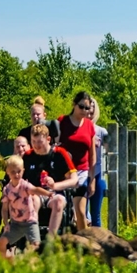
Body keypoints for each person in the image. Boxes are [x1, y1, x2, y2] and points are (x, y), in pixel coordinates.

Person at [21, 123, 78, 236]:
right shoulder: (27, 156)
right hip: (36, 193)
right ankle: (33, 239)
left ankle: (50, 240)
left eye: (39, 142)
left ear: (48, 139)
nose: (36, 146)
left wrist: (55, 185)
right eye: (33, 141)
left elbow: (74, 179)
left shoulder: (59, 153)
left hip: (55, 193)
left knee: (59, 202)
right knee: (32, 201)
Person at [0, 155, 51, 260]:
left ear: (23, 171)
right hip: (16, 224)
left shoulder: (25, 185)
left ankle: (31, 264)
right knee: (2, 242)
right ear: (8, 173)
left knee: (36, 246)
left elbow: (36, 190)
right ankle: (6, 264)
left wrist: (48, 194)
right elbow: (4, 209)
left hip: (30, 222)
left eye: (19, 171)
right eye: (13, 172)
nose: (16, 174)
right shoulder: (7, 190)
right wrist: (6, 223)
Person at [57, 91, 96, 231]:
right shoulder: (62, 122)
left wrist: (92, 179)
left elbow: (92, 155)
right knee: (61, 209)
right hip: (64, 173)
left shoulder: (89, 126)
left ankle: (83, 243)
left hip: (82, 172)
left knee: (80, 211)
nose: (85, 111)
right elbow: (54, 147)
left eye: (88, 108)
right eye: (82, 107)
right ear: (74, 104)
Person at [86, 96, 109, 227]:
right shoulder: (77, 130)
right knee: (81, 213)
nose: (90, 113)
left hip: (98, 173)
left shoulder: (101, 131)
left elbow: (111, 149)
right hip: (81, 174)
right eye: (87, 109)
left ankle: (98, 243)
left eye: (92, 109)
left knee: (96, 214)